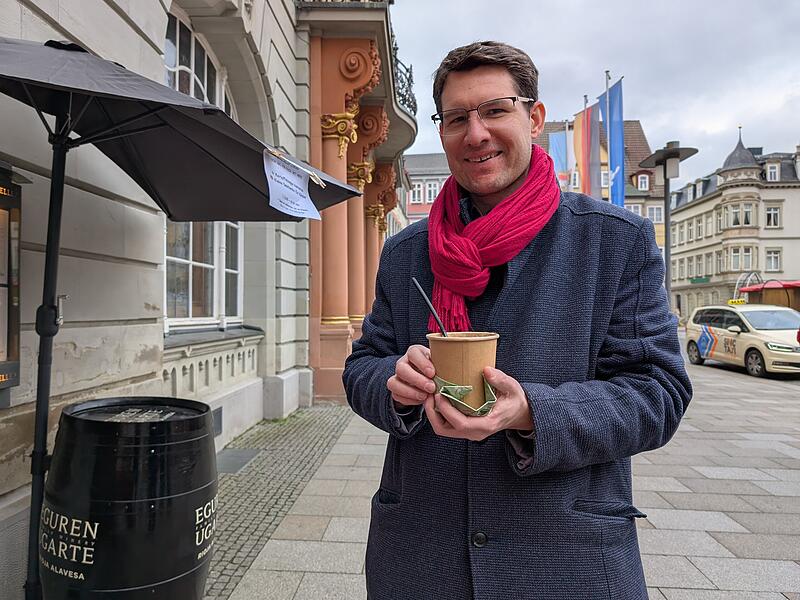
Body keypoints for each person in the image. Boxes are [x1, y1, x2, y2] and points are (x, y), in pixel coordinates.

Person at [343, 40, 692, 600]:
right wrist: (391, 384)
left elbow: (658, 394)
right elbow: (363, 364)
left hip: (566, 560)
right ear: (442, 133)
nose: (475, 133)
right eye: (457, 118)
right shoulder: (406, 253)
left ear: (533, 118)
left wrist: (531, 411)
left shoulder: (613, 241)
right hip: (423, 558)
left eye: (494, 110)